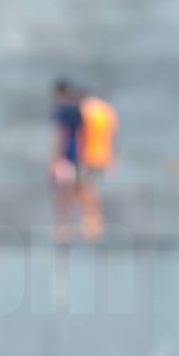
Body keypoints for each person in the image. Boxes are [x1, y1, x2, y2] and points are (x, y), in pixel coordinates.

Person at [78, 90, 119, 238]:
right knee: (93, 188)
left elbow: (81, 133)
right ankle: (96, 220)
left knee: (87, 188)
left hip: (88, 155)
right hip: (103, 156)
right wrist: (113, 157)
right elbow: (112, 134)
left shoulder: (84, 110)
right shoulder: (107, 110)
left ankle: (92, 222)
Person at [49, 79, 85, 241]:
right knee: (74, 190)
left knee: (61, 193)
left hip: (64, 157)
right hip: (76, 156)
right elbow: (82, 135)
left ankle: (63, 227)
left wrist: (54, 158)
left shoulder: (62, 110)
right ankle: (78, 225)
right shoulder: (77, 109)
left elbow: (60, 135)